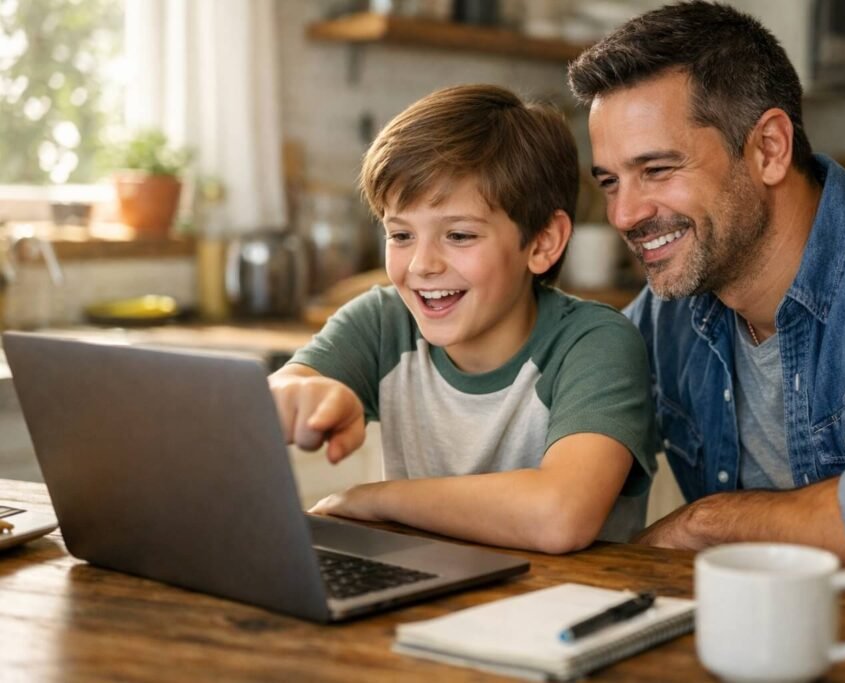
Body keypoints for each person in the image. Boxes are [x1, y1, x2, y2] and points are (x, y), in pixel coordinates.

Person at [567, 1, 845, 600]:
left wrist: (706, 524)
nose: (623, 213)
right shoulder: (670, 311)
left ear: (770, 149)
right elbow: (547, 457)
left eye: (656, 169)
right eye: (609, 181)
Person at [269, 84, 658, 554]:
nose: (421, 265)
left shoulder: (596, 344)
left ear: (542, 243)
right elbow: (274, 396)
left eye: (458, 235)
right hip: (432, 596)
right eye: (401, 234)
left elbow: (560, 515)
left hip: (568, 610)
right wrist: (302, 394)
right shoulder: (383, 320)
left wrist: (377, 499)